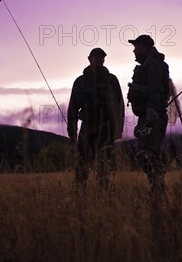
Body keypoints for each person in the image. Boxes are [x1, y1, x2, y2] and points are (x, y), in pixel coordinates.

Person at [67, 47, 125, 189]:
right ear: (89, 59)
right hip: (87, 129)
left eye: (102, 57)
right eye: (97, 57)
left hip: (107, 129)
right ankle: (79, 192)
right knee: (82, 165)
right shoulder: (80, 82)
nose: (100, 59)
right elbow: (73, 108)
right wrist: (72, 133)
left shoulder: (112, 79)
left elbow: (119, 105)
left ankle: (104, 193)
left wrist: (119, 129)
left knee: (105, 165)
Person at [127, 34, 170, 194]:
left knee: (149, 153)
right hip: (147, 116)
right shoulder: (150, 63)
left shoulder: (152, 64)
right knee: (144, 152)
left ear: (143, 46)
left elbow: (155, 89)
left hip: (152, 117)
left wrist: (152, 112)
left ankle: (158, 189)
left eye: (135, 47)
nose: (134, 51)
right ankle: (156, 187)